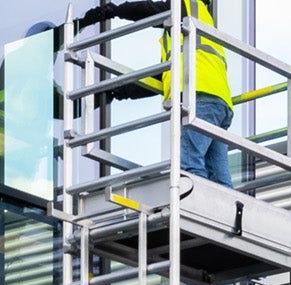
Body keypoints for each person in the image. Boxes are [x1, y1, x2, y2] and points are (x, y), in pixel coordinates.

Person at [75, 0, 235, 185]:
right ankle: (225, 213)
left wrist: (116, 11)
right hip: (217, 101)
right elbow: (161, 76)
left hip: (198, 97)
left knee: (190, 166)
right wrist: (118, 91)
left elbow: (150, 10)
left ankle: (190, 210)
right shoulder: (188, 30)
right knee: (218, 175)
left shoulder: (186, 5)